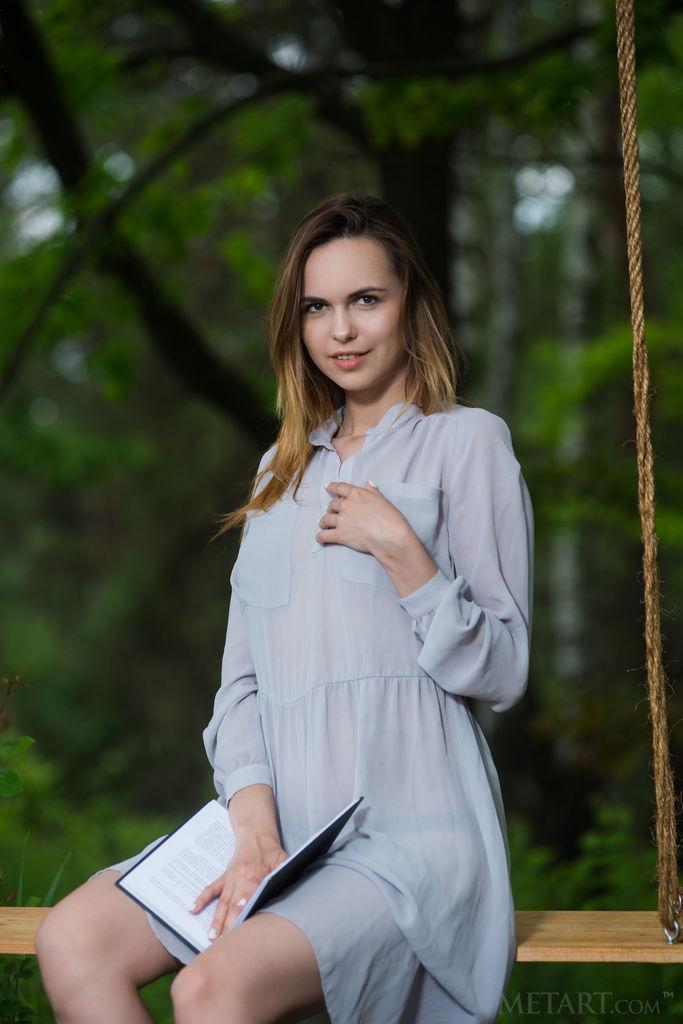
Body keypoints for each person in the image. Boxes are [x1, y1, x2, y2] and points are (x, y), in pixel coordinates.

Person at [35, 191, 534, 1024]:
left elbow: (505, 669)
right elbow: (241, 685)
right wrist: (253, 824)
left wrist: (404, 553)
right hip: (278, 834)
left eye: (365, 300)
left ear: (410, 305)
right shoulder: (280, 470)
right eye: (316, 308)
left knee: (210, 989)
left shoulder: (466, 442)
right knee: (74, 939)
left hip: (409, 838)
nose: (341, 330)